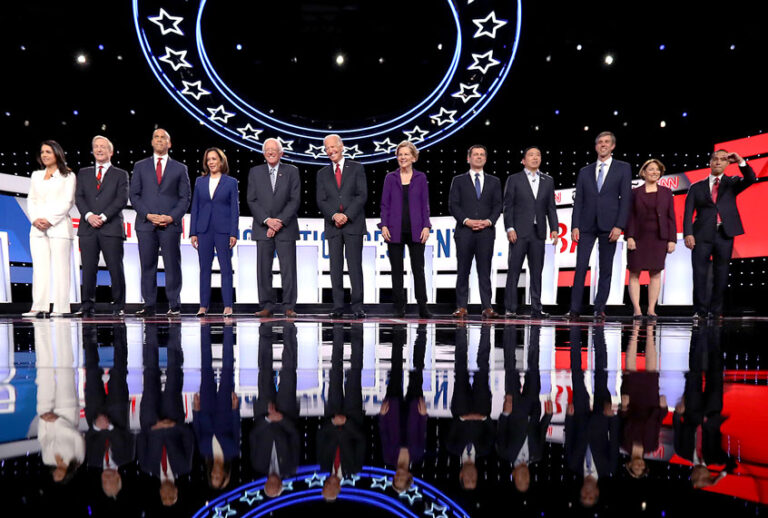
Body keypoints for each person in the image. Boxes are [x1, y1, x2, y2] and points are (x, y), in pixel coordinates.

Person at [683, 150, 756, 321]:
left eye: (723, 160)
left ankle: (715, 311)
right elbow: (688, 214)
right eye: (715, 159)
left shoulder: (732, 183)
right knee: (699, 273)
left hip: (725, 234)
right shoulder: (696, 187)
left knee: (721, 274)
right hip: (701, 235)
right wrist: (688, 234)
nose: (718, 162)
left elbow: (751, 179)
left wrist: (741, 161)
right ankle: (700, 311)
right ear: (710, 162)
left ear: (727, 164)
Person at [567, 131, 632, 321]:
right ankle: (574, 309)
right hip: (586, 225)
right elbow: (578, 200)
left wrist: (619, 226)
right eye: (600, 142)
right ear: (596, 147)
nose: (603, 145)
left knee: (606, 268)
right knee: (580, 267)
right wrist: (574, 226)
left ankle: (599, 308)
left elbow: (626, 199)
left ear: (612, 146)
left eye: (607, 142)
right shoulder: (584, 171)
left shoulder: (623, 168)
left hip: (609, 225)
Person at [129, 129, 191, 316]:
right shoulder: (140, 166)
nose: (159, 140)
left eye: (163, 137)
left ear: (169, 144)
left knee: (172, 264)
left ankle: (174, 304)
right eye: (156, 137)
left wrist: (171, 217)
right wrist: (148, 215)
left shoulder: (180, 168)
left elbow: (185, 197)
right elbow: (134, 195)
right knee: (147, 265)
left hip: (169, 225)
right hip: (146, 224)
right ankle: (149, 304)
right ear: (152, 141)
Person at [137, 323, 194, 506]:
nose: (168, 495)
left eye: (165, 498)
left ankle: (151, 330)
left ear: (160, 493)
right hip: (173, 416)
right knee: (173, 371)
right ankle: (174, 330)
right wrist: (172, 425)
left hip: (150, 419)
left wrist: (154, 427)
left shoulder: (147, 467)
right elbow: (188, 436)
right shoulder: (184, 467)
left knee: (151, 370)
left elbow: (140, 439)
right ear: (177, 491)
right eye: (172, 497)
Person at [74, 136, 129, 317]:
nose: (99, 150)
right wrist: (89, 216)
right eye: (96, 147)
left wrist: (103, 217)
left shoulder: (121, 174)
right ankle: (87, 305)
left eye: (103, 147)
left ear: (110, 152)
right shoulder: (83, 173)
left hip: (111, 227)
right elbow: (79, 197)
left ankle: (118, 305)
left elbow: (121, 199)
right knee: (89, 268)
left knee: (115, 268)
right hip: (88, 228)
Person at [565, 326, 619, 507]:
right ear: (597, 492)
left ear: (580, 491)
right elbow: (614, 440)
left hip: (579, 416)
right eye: (590, 496)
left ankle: (574, 333)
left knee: (576, 373)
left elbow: (569, 438)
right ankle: (599, 331)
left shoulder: (572, 464)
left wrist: (569, 417)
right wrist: (611, 417)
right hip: (601, 418)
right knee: (601, 373)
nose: (587, 493)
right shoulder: (608, 468)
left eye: (584, 496)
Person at [502, 147, 559, 318]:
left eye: (538, 155)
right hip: (518, 232)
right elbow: (508, 206)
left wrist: (555, 228)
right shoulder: (514, 179)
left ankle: (536, 307)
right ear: (523, 160)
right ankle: (510, 308)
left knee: (536, 271)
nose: (535, 158)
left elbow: (551, 207)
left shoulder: (548, 180)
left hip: (538, 232)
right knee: (514, 270)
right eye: (531, 155)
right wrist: (510, 228)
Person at [247, 138, 301, 318]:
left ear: (281, 153)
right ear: (263, 153)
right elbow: (251, 200)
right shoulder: (255, 172)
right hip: (263, 228)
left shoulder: (292, 171)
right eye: (267, 150)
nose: (270, 152)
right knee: (263, 269)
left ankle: (289, 306)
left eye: (274, 150)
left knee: (288, 269)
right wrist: (267, 220)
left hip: (286, 228)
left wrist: (279, 222)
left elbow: (295, 200)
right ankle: (267, 305)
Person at [378, 141, 432, 318]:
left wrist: (426, 226)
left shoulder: (421, 178)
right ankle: (398, 306)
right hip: (394, 229)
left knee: (418, 269)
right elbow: (385, 204)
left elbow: (425, 204)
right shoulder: (389, 178)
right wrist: (384, 225)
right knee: (396, 270)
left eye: (406, 154)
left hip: (416, 229)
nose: (402, 157)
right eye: (400, 154)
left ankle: (422, 305)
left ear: (414, 157)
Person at [316, 134, 368, 318]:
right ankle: (338, 307)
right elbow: (321, 200)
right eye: (327, 148)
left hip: (353, 224)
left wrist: (346, 215)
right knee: (335, 267)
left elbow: (361, 195)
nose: (330, 151)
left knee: (355, 266)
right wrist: (334, 215)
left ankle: (357, 307)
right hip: (333, 226)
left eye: (333, 147)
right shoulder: (322, 173)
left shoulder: (356, 168)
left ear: (341, 146)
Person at [448, 145, 503, 319]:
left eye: (481, 155)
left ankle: (487, 307)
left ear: (485, 159)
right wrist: (467, 221)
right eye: (475, 155)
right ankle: (461, 307)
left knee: (484, 270)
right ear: (468, 158)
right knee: (463, 270)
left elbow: (498, 205)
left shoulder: (494, 181)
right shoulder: (458, 180)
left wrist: (488, 221)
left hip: (486, 232)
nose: (478, 157)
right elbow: (453, 205)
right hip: (464, 231)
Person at [498, 325, 553, 493]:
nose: (525, 477)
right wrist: (548, 416)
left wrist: (505, 412)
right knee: (534, 366)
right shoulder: (537, 455)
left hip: (514, 408)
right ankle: (534, 330)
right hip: (533, 406)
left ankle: (510, 329)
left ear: (514, 475)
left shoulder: (505, 453)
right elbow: (541, 431)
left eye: (521, 480)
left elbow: (501, 429)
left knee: (510, 366)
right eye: (527, 481)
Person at [24, 140, 76, 318]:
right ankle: (38, 306)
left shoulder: (68, 175)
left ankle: (61, 307)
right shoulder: (36, 176)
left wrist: (49, 219)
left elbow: (67, 201)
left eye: (48, 151)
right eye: (42, 152)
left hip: (59, 227)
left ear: (57, 154)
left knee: (61, 268)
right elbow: (31, 200)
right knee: (39, 268)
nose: (44, 155)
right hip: (37, 228)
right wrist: (35, 219)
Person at [250, 323, 300, 497]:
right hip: (286, 412)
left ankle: (265, 327)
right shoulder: (291, 466)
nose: (271, 480)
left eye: (268, 483)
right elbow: (294, 435)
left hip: (264, 412)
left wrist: (268, 419)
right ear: (280, 484)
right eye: (275, 483)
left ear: (265, 483)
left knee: (264, 369)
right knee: (289, 370)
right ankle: (289, 329)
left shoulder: (257, 464)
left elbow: (253, 435)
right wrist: (280, 419)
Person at [84, 323, 133, 498]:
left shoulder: (93, 461)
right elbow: (127, 436)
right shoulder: (126, 457)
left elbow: (89, 436)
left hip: (95, 410)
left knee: (91, 369)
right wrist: (109, 426)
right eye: (111, 482)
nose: (107, 479)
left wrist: (98, 426)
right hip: (117, 407)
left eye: (105, 483)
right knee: (119, 369)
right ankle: (120, 329)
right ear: (118, 478)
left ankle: (88, 330)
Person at [189, 148, 239, 317]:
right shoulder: (200, 181)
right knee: (204, 268)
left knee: (225, 268)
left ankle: (228, 306)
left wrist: (233, 233)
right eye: (208, 159)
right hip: (203, 230)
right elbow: (195, 207)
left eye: (214, 159)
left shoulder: (231, 182)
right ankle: (203, 306)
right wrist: (193, 232)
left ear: (221, 161)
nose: (211, 162)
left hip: (223, 230)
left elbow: (234, 210)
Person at [625, 159, 677, 319]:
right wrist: (630, 236)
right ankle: (637, 310)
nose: (654, 172)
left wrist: (671, 239)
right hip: (638, 237)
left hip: (659, 237)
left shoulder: (667, 192)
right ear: (644, 172)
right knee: (634, 272)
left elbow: (671, 217)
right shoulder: (634, 193)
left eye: (657, 170)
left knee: (656, 273)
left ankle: (651, 309)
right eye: (651, 169)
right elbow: (630, 216)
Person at [379, 325, 428, 493]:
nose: (398, 477)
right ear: (409, 477)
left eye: (396, 479)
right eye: (402, 479)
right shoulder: (418, 455)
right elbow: (422, 431)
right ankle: (421, 334)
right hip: (414, 412)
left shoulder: (388, 457)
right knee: (418, 371)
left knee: (396, 369)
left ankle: (398, 332)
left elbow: (383, 433)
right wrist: (423, 415)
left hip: (393, 413)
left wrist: (382, 415)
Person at [318, 324, 364, 501]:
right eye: (330, 487)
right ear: (338, 488)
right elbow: (361, 440)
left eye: (325, 486)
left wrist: (332, 422)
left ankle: (337, 331)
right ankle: (357, 330)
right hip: (351, 416)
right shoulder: (354, 468)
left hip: (333, 413)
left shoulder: (322, 465)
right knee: (355, 370)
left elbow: (320, 436)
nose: (328, 483)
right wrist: (346, 423)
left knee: (335, 370)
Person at [446, 324, 495, 490]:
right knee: (483, 366)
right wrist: (481, 418)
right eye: (473, 480)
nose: (470, 477)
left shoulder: (452, 448)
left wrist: (464, 418)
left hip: (461, 407)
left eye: (467, 480)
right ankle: (486, 330)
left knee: (460, 366)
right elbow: (491, 427)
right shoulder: (485, 449)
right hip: (481, 407)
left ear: (461, 475)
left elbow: (451, 425)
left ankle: (460, 330)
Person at [35, 320, 84, 483]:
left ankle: (42, 333)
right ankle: (63, 330)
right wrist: (58, 420)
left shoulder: (47, 459)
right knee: (64, 369)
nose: (56, 475)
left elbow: (42, 438)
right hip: (66, 411)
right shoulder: (77, 459)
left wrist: (44, 419)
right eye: (60, 477)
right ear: (66, 475)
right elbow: (77, 437)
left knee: (43, 371)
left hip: (46, 413)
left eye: (54, 477)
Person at [194, 324, 240, 490]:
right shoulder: (233, 451)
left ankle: (205, 327)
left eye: (212, 476)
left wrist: (196, 410)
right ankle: (228, 329)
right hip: (226, 410)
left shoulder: (203, 451)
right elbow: (236, 428)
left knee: (206, 366)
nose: (215, 474)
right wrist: (235, 409)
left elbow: (197, 428)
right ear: (225, 475)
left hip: (205, 409)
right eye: (218, 477)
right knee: (228, 368)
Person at [620, 322, 668, 478]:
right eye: (642, 468)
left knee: (630, 369)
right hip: (650, 404)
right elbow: (657, 424)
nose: (640, 466)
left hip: (632, 404)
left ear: (630, 465)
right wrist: (663, 407)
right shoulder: (652, 447)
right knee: (652, 371)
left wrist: (624, 407)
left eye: (636, 468)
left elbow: (622, 421)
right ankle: (649, 331)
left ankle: (634, 331)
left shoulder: (624, 445)